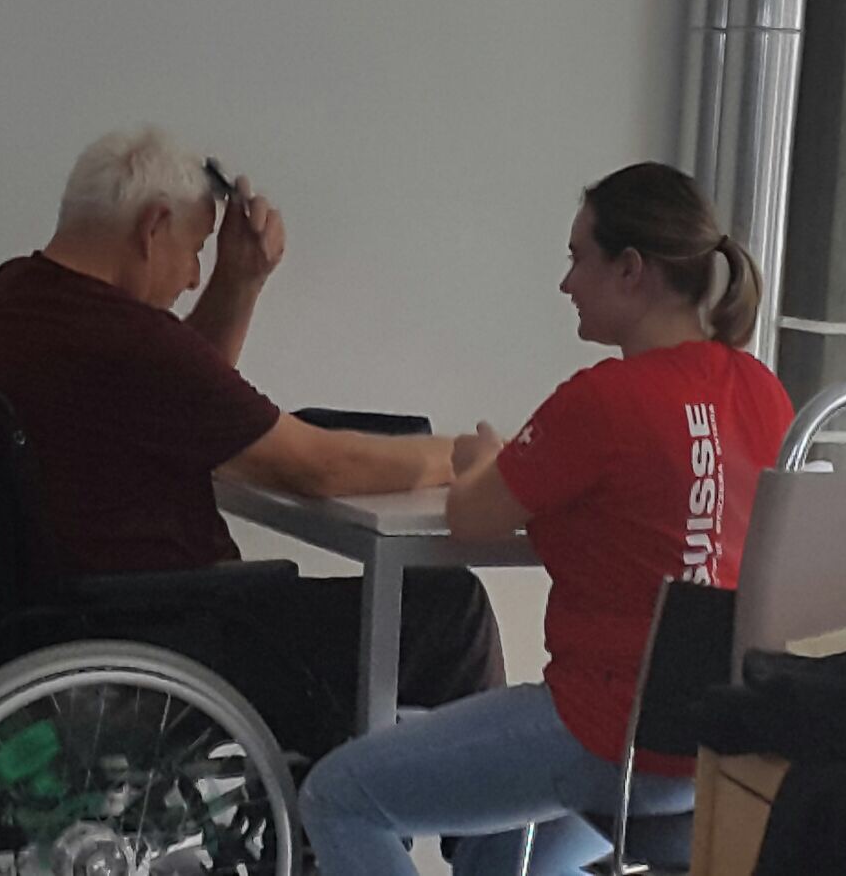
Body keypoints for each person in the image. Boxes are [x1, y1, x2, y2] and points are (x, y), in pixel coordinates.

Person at [0, 125, 504, 762]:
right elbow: (319, 468)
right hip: (171, 636)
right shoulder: (121, 338)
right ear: (154, 226)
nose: (192, 278)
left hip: (61, 622)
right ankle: (474, 818)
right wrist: (468, 457)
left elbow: (182, 389)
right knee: (449, 608)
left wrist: (239, 281)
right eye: (195, 250)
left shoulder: (8, 299)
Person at [299, 162, 797, 875]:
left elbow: (472, 516)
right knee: (500, 862)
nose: (566, 283)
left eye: (577, 258)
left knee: (339, 796)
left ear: (630, 270)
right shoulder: (763, 391)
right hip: (713, 748)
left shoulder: (604, 399)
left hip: (602, 734)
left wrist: (483, 460)